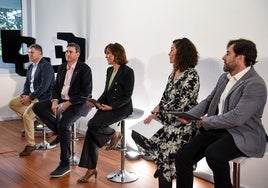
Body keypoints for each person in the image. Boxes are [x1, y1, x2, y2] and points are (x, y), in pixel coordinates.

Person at [175, 39, 267, 188]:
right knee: (182, 157)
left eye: (227, 53)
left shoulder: (255, 84)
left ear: (240, 57)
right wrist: (189, 115)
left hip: (243, 133)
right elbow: (208, 101)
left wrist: (205, 122)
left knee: (214, 154)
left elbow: (237, 117)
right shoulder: (224, 78)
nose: (223, 57)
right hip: (220, 129)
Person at [131, 38, 200, 188]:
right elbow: (165, 98)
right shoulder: (173, 73)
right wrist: (155, 113)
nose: (169, 53)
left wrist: (159, 113)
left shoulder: (191, 75)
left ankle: (163, 164)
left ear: (180, 53)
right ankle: (162, 161)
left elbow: (181, 105)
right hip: (166, 120)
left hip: (182, 124)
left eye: (172, 50)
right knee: (137, 133)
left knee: (165, 154)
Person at [77, 42, 135, 183]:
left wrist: (112, 107)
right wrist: (96, 103)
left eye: (108, 53)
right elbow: (106, 93)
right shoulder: (109, 71)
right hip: (107, 106)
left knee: (92, 124)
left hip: (122, 108)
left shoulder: (128, 71)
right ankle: (91, 169)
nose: (106, 56)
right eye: (106, 53)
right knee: (91, 131)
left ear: (117, 54)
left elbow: (127, 96)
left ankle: (113, 134)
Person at [32, 43, 92, 178]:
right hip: (62, 100)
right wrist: (54, 101)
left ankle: (65, 164)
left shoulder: (85, 69)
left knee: (64, 125)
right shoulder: (61, 67)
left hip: (78, 103)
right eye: (66, 52)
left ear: (77, 54)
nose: (67, 54)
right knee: (37, 107)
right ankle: (61, 133)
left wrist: (69, 103)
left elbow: (86, 93)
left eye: (70, 52)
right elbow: (55, 87)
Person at [8, 44, 55, 156]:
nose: (29, 54)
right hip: (31, 96)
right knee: (12, 104)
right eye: (29, 52)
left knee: (26, 116)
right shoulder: (30, 66)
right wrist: (25, 95)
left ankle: (31, 145)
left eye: (32, 52)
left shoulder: (46, 66)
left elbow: (44, 87)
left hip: (43, 98)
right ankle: (33, 121)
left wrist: (30, 97)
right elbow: (27, 83)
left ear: (40, 54)